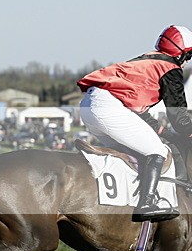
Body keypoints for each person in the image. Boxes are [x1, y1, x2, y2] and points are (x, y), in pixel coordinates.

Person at [77, 25, 192, 222]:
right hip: (108, 107)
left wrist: (164, 132)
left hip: (91, 106)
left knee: (133, 155)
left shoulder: (148, 60)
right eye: (188, 56)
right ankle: (146, 203)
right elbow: (179, 117)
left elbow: (138, 112)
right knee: (158, 152)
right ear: (180, 53)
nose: (187, 61)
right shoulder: (170, 68)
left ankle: (124, 202)